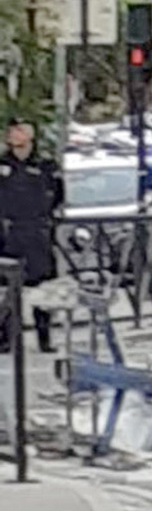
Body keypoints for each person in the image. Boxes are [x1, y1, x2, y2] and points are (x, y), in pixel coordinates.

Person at [0, 118, 63, 354]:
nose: (12, 135)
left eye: (18, 130)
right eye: (10, 130)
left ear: (29, 135)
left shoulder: (45, 165)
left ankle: (45, 338)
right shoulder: (2, 164)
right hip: (8, 235)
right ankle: (6, 339)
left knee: (43, 290)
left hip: (37, 234)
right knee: (7, 290)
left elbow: (57, 194)